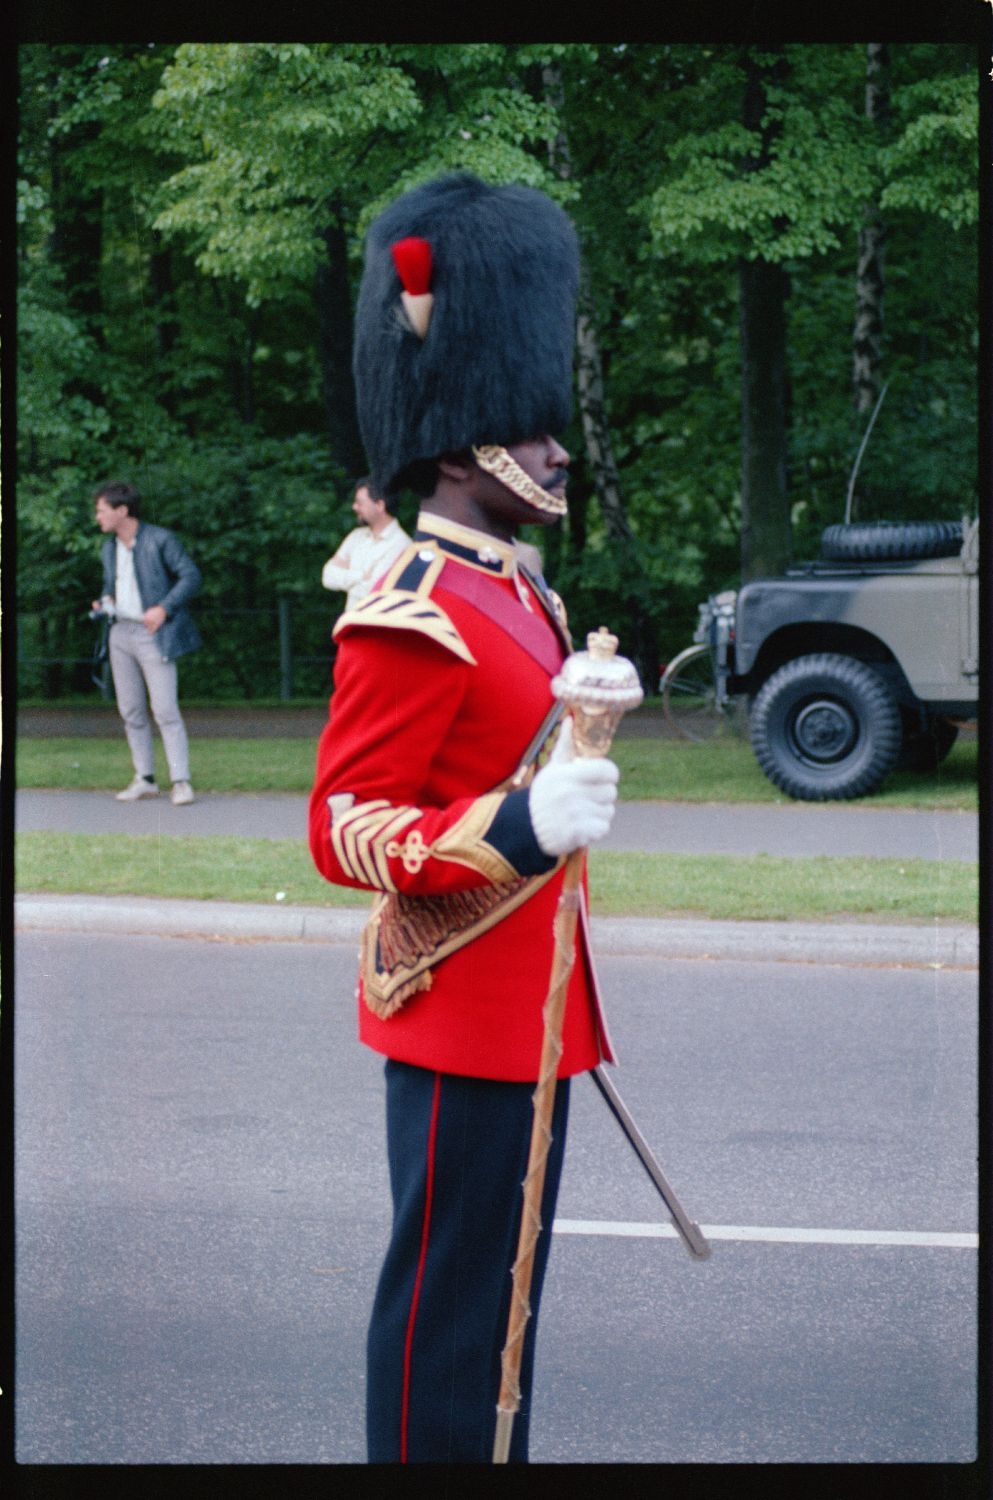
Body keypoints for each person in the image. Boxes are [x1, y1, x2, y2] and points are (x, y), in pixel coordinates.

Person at [308, 173, 623, 1464]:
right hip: (458, 1006)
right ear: (461, 438)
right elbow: (342, 825)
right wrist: (526, 820)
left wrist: (581, 726)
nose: (555, 449)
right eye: (529, 425)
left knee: (503, 1324)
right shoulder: (412, 602)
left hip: (537, 1004)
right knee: (448, 1324)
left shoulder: (523, 597)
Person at [91, 481, 202, 805]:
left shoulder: (161, 540)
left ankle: (181, 782)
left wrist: (164, 608)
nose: (97, 516)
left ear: (121, 511)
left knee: (165, 709)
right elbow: (111, 585)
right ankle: (146, 779)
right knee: (131, 711)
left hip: (154, 634)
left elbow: (191, 576)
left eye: (101, 510)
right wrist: (104, 600)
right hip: (119, 633)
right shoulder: (109, 548)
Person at [320, 478, 410, 613]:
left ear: (379, 505)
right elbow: (327, 576)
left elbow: (374, 592)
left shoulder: (402, 545)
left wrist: (346, 576)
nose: (354, 507)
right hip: (350, 627)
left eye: (360, 503)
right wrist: (361, 575)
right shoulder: (356, 536)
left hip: (377, 630)